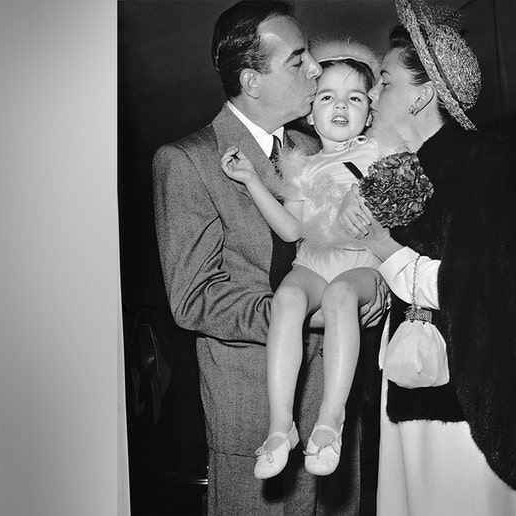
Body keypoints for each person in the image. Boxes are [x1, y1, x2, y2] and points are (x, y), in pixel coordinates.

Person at [152, 2, 386, 514]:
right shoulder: (187, 161)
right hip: (254, 416)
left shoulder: (321, 142)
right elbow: (193, 299)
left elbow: (371, 241)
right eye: (298, 60)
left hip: (336, 411)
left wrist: (378, 291)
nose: (316, 70)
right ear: (252, 81)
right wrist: (301, 312)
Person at [338, 0, 516, 514]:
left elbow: (488, 289)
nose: (371, 93)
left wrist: (385, 251)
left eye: (384, 82)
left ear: (424, 95)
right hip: (414, 390)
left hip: (468, 412)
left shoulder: (482, 160)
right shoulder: (411, 165)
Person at [219, 40, 383, 480]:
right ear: (311, 113)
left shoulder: (382, 155)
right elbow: (292, 231)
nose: (341, 106)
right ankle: (280, 426)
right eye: (327, 96)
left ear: (371, 110)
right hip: (313, 261)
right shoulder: (303, 166)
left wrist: (364, 192)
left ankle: (331, 421)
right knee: (288, 298)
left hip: (359, 263)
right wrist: (254, 180)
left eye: (355, 97)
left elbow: (402, 213)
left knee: (341, 293)